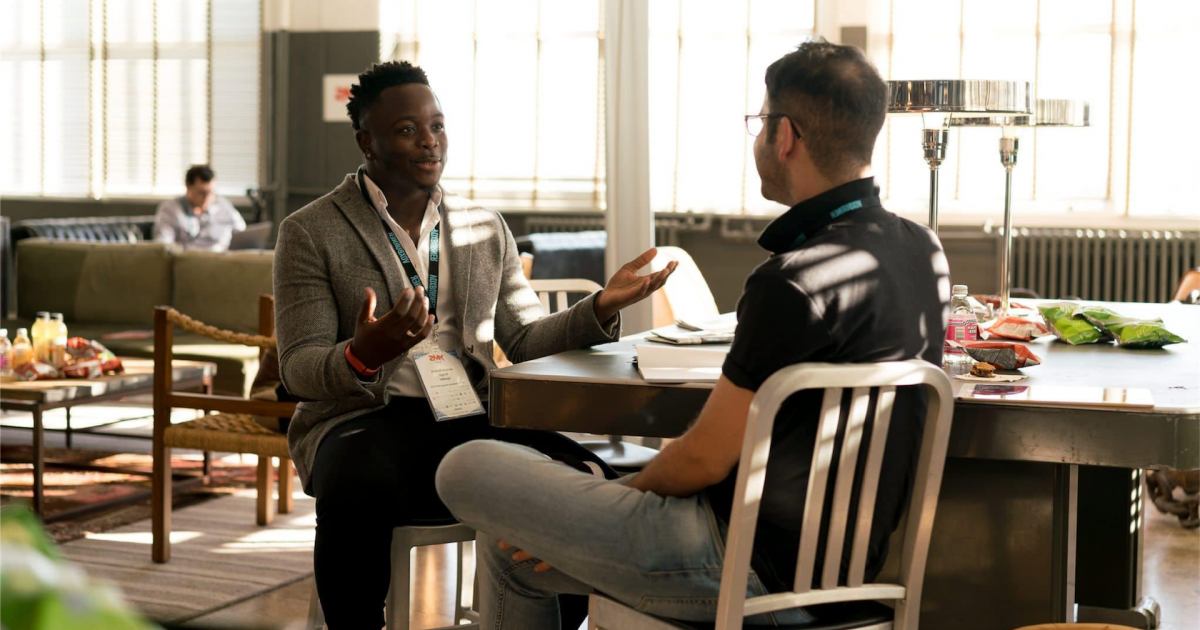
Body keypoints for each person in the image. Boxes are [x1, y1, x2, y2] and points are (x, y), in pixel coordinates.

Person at [435, 40, 951, 628]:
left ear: (785, 136)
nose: (758, 138)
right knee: (510, 553)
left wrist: (623, 497)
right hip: (851, 575)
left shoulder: (790, 282)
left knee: (465, 464)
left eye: (760, 122)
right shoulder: (922, 250)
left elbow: (702, 460)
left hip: (736, 569)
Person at [272, 61, 676, 630]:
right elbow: (298, 368)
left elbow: (527, 338)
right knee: (353, 482)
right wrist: (366, 352)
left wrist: (602, 307)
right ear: (367, 141)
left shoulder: (484, 225)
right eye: (408, 129)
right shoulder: (311, 231)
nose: (430, 141)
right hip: (364, 420)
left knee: (579, 475)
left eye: (437, 125)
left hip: (470, 414)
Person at [151, 165, 247, 251]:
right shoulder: (170, 210)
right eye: (202, 192)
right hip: (190, 261)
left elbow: (243, 233)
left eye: (210, 192)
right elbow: (163, 245)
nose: (207, 198)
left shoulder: (223, 205)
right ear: (188, 185)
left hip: (223, 260)